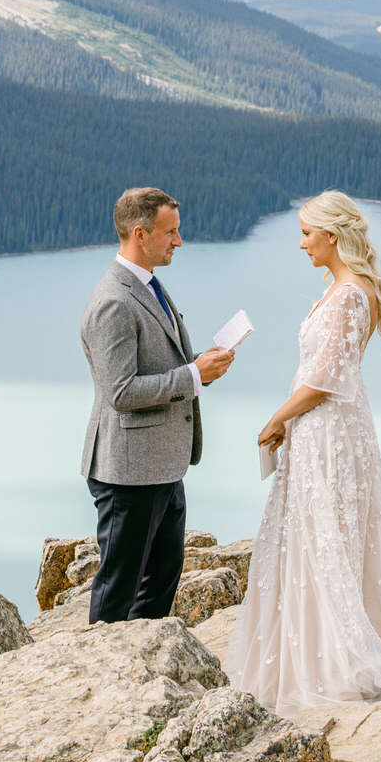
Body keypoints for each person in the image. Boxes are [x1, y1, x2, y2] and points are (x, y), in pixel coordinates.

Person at [224, 191, 381, 715]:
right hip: (324, 428)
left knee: (323, 536)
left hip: (329, 431)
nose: (301, 242)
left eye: (308, 232)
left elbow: (328, 379)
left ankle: (329, 663)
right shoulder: (344, 288)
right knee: (317, 535)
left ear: (333, 235)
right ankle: (313, 652)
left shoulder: (351, 294)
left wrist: (277, 417)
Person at [80, 186, 234, 624]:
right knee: (118, 588)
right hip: (128, 471)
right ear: (140, 233)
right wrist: (193, 376)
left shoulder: (147, 285)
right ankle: (102, 675)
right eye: (171, 233)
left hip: (162, 465)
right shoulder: (113, 301)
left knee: (162, 578)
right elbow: (121, 392)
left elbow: (156, 361)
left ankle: (140, 666)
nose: (178, 241)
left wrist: (201, 364)